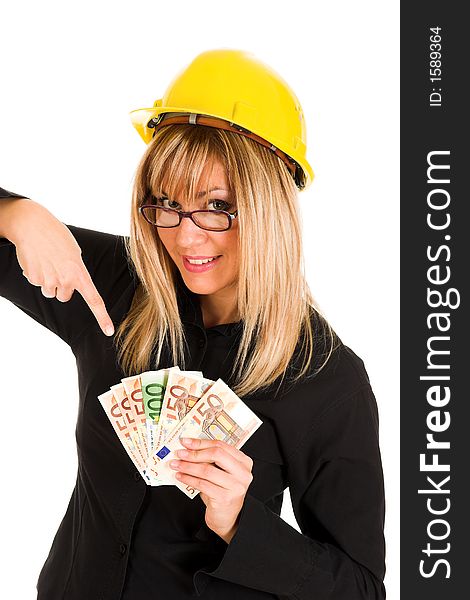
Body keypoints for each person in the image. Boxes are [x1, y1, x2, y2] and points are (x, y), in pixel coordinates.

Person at [0, 49, 386, 599]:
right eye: (166, 203)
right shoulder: (112, 285)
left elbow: (362, 589)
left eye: (216, 206)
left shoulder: (327, 379)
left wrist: (239, 523)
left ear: (268, 206)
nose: (184, 237)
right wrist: (15, 213)